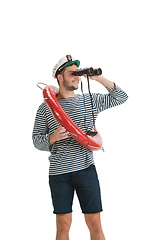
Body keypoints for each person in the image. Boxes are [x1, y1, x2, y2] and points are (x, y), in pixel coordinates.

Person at [32, 55, 128, 240]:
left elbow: (121, 97)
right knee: (63, 227)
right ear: (59, 77)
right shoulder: (46, 108)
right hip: (59, 173)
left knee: (96, 225)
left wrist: (98, 78)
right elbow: (36, 141)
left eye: (78, 74)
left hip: (86, 170)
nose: (77, 77)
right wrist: (51, 138)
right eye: (72, 74)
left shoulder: (89, 101)